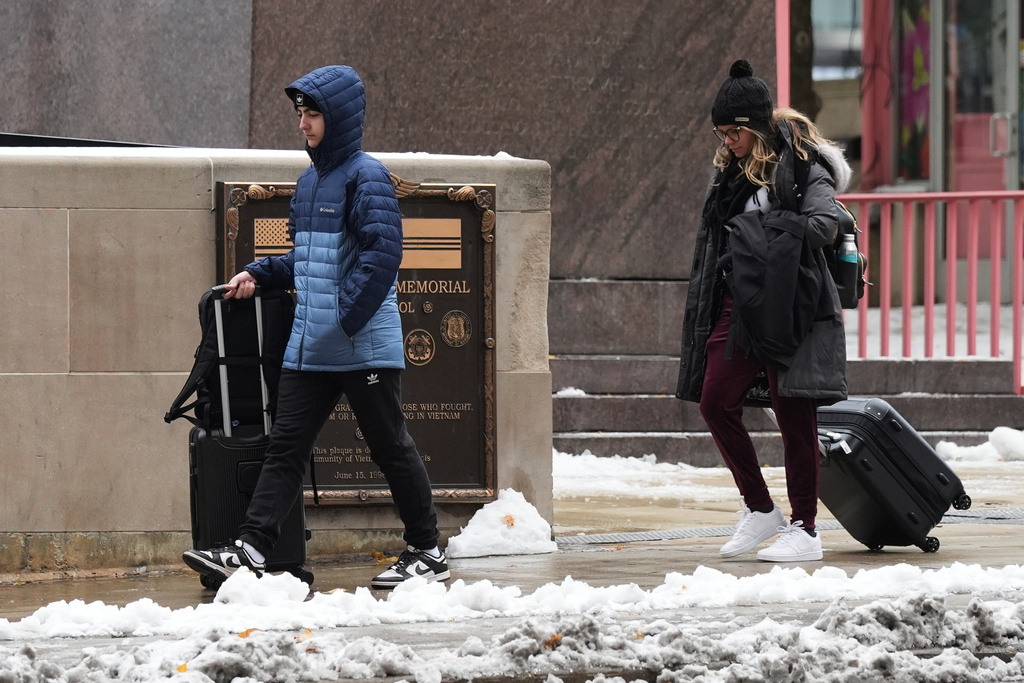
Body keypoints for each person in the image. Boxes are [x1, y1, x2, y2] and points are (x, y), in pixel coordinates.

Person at [183, 65, 448, 589]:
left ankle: (427, 550)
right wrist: (260, 273)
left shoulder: (366, 176)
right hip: (315, 346)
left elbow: (383, 254)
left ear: (339, 117)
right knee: (286, 446)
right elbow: (309, 261)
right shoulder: (310, 182)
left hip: (360, 345)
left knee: (389, 445)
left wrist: (344, 316)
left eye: (312, 114)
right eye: (300, 114)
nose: (303, 124)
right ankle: (252, 549)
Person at [676, 60, 851, 562]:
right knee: (714, 400)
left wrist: (763, 233)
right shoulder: (728, 173)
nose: (726, 140)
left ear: (755, 126)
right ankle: (760, 510)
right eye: (721, 132)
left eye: (734, 131)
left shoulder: (801, 166)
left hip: (790, 304)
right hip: (738, 304)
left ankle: (806, 529)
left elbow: (823, 224)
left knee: (794, 414)